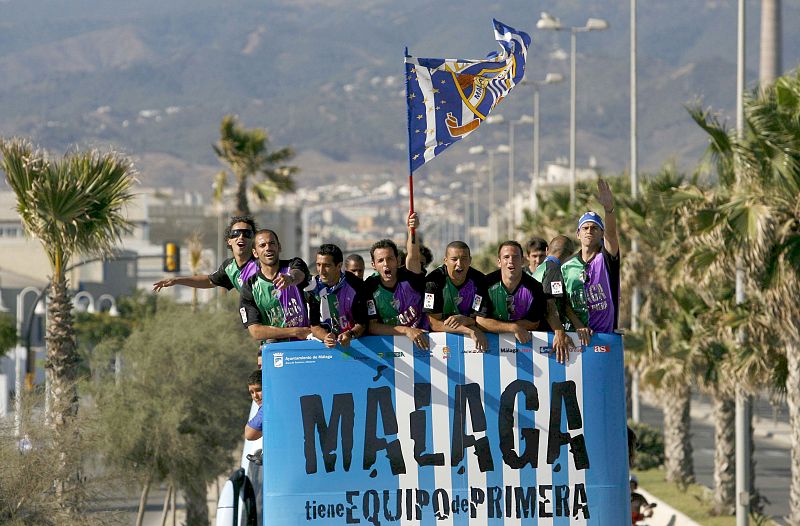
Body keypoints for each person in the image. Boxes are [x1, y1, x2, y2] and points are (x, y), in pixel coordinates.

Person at [477, 241, 555, 358]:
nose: (511, 261)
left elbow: (534, 323)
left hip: (528, 350)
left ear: (522, 261)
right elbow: (480, 321)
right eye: (506, 257)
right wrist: (513, 328)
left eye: (515, 257)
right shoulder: (484, 284)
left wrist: (499, 326)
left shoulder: (535, 287)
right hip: (491, 352)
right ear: (499, 262)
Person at [561, 179, 620, 333]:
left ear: (602, 233)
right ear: (578, 234)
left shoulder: (606, 259)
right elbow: (563, 301)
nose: (589, 231)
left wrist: (609, 210)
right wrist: (579, 325)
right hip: (574, 336)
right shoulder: (566, 266)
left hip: (604, 336)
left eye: (594, 228)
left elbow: (612, 236)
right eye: (585, 228)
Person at [364, 212, 429, 349]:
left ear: (398, 260)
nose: (386, 264)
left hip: (426, 340)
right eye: (380, 261)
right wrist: (406, 331)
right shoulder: (370, 287)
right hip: (393, 348)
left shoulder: (409, 276)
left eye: (390, 259)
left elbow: (413, 255)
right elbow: (373, 327)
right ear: (373, 265)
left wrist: (412, 230)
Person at [153, 216, 258, 293]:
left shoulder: (262, 264)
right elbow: (209, 281)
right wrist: (176, 280)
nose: (241, 237)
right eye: (236, 233)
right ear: (229, 241)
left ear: (254, 240)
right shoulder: (230, 267)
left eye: (247, 233)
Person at [239, 229, 312, 342]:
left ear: (279, 247)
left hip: (305, 346)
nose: (268, 248)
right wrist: (295, 332)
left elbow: (299, 274)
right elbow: (256, 331)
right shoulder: (250, 286)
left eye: (272, 243)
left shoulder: (293, 265)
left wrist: (290, 279)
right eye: (262, 245)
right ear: (255, 252)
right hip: (275, 352)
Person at [424, 241, 489, 351]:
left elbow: (480, 318)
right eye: (454, 259)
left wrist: (466, 320)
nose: (459, 264)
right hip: (439, 345)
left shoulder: (480, 281)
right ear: (446, 261)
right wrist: (469, 330)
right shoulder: (433, 282)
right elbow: (434, 323)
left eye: (464, 258)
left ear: (470, 260)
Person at [531, 235, 592, 353]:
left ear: (547, 250)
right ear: (570, 255)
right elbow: (550, 303)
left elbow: (561, 302)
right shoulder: (554, 269)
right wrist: (559, 332)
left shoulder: (539, 269)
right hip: (544, 334)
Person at [306, 244, 368, 348]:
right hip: (327, 348)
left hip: (357, 345)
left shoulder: (356, 285)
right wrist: (326, 337)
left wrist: (349, 335)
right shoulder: (314, 287)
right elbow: (314, 325)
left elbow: (362, 324)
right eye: (318, 265)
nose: (321, 271)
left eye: (327, 266)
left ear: (339, 266)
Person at [244, 369, 263, 441]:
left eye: (258, 390)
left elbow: (249, 434)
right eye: (252, 392)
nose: (255, 396)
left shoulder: (268, 408)